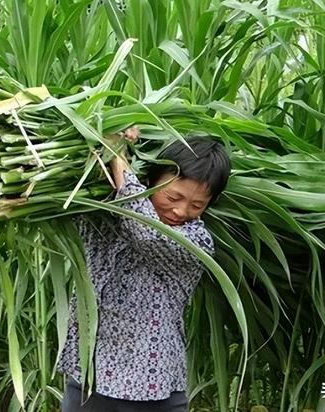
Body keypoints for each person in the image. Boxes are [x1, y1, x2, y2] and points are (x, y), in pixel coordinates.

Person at [57, 131, 231, 411]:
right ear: (150, 179)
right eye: (173, 196)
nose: (180, 210)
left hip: (153, 390)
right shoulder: (105, 207)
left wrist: (117, 156)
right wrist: (116, 139)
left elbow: (146, 231)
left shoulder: (196, 242)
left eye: (197, 205)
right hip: (89, 377)